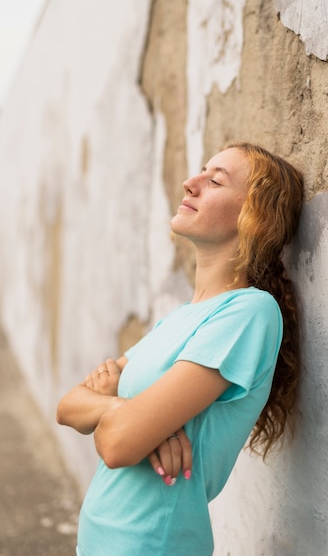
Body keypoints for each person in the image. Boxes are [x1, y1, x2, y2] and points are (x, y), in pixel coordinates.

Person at [56, 142, 304, 556]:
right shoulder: (175, 320)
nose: (190, 183)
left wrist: (124, 415)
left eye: (214, 181)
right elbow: (67, 407)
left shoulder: (249, 313)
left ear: (253, 216)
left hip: (152, 543)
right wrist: (118, 410)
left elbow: (116, 446)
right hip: (98, 539)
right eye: (200, 173)